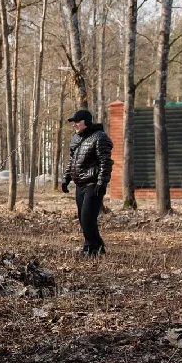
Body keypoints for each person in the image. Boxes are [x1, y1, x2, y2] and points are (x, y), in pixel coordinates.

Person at [61, 109, 114, 256]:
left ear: (86, 121)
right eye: (73, 122)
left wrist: (101, 183)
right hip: (80, 184)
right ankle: (98, 247)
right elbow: (72, 161)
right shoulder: (75, 139)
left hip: (93, 184)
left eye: (77, 121)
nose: (74, 124)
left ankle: (89, 248)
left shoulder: (99, 137)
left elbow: (106, 162)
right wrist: (66, 178)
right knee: (84, 219)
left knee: (87, 217)